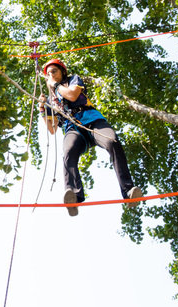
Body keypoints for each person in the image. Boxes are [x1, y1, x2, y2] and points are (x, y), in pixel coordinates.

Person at [38, 58, 142, 217]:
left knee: (112, 142)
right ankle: (73, 195)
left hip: (92, 120)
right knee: (69, 152)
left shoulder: (73, 80)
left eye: (54, 71)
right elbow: (52, 129)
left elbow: (73, 96)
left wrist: (56, 86)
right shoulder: (52, 100)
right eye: (49, 73)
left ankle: (128, 192)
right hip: (73, 128)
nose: (51, 75)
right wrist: (42, 110)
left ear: (62, 72)